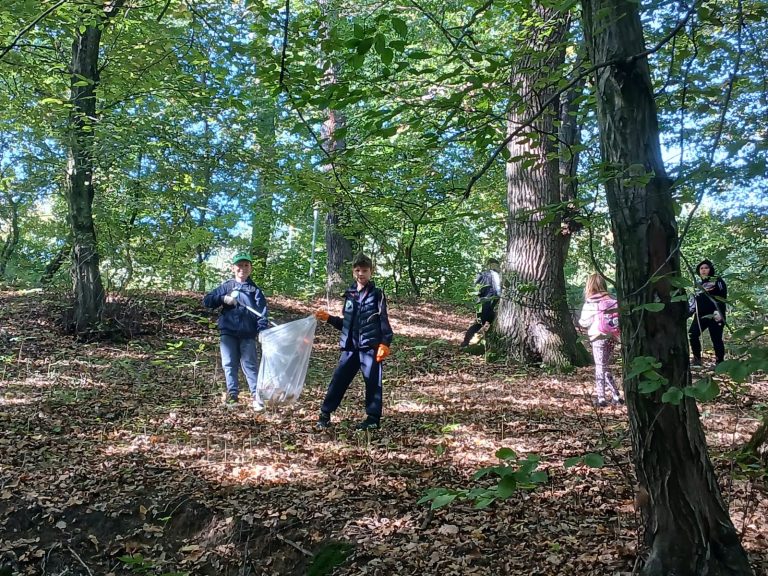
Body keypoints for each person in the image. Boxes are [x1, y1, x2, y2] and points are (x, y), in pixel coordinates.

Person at [314, 252, 394, 431]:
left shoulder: (377, 294)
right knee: (338, 380)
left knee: (373, 382)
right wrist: (328, 318)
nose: (361, 274)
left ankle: (372, 419)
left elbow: (384, 320)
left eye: (364, 270)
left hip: (370, 347)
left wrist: (385, 343)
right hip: (350, 347)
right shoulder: (349, 294)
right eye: (357, 270)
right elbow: (346, 323)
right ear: (353, 272)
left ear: (371, 272)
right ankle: (325, 414)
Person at [203, 252, 270, 411]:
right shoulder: (227, 286)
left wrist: (262, 330)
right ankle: (232, 395)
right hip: (228, 332)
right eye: (239, 265)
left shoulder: (255, 290)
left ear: (250, 268)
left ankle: (256, 397)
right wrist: (222, 299)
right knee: (229, 363)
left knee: (250, 365)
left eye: (246, 265)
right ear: (233, 268)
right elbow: (207, 300)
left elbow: (262, 314)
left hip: (248, 333)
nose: (242, 268)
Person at [578, 273, 623, 407]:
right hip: (612, 336)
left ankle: (601, 398)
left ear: (589, 286)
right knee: (605, 365)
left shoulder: (590, 303)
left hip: (597, 336)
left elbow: (584, 322)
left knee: (600, 366)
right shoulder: (612, 300)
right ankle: (616, 396)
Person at [689, 259, 727, 366]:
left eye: (706, 268)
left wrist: (719, 312)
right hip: (700, 316)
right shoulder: (697, 285)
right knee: (692, 334)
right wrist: (687, 313)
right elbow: (693, 302)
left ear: (710, 269)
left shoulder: (717, 281)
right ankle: (697, 360)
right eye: (701, 268)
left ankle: (720, 363)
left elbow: (722, 296)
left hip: (715, 315)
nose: (703, 270)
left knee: (716, 338)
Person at [461, 258, 501, 347]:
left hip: (481, 303)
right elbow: (498, 290)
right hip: (489, 302)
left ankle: (466, 342)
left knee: (481, 323)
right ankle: (467, 343)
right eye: (497, 265)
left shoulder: (481, 274)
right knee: (486, 323)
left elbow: (475, 289)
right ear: (493, 265)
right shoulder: (495, 274)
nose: (499, 268)